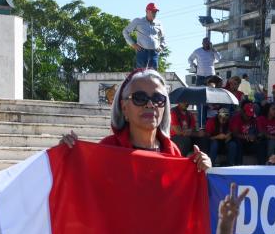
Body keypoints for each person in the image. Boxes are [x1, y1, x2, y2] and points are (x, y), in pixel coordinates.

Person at [60, 69, 211, 171]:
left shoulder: (172, 151)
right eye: (140, 98)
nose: (150, 105)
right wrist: (66, 159)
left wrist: (202, 171)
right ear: (124, 107)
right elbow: (84, 191)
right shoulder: (108, 149)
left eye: (158, 99)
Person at [122, 2, 166, 69]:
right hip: (142, 52)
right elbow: (125, 31)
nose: (154, 13)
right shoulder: (138, 21)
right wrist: (133, 44)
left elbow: (163, 37)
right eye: (153, 11)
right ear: (147, 11)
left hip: (154, 52)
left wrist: (161, 46)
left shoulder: (159, 23)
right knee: (140, 74)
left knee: (153, 74)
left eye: (156, 12)